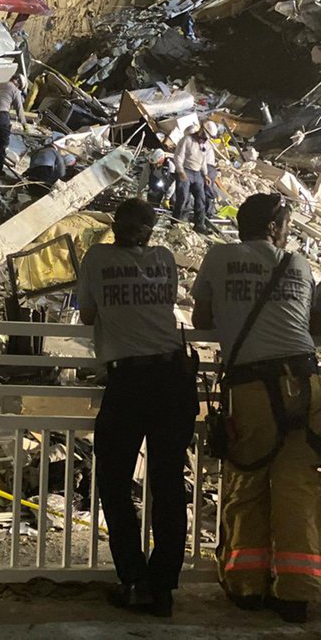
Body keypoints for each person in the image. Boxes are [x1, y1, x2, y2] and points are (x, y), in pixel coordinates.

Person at [193, 193, 321, 624]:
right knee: (297, 486)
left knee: (247, 480)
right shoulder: (299, 264)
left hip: (250, 387)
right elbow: (311, 323)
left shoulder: (218, 257)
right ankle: (296, 594)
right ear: (272, 227)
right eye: (285, 223)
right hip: (305, 382)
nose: (288, 231)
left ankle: (247, 586)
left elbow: (201, 320)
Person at [77, 199, 197, 618]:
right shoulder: (165, 258)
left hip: (128, 381)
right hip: (172, 380)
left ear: (113, 226)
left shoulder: (95, 257)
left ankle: (134, 579)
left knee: (112, 480)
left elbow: (87, 315)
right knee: (167, 484)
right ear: (151, 230)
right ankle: (163, 587)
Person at [172, 123, 211, 234]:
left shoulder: (204, 145)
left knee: (201, 198)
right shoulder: (187, 140)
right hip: (186, 170)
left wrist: (205, 174)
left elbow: (203, 160)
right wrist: (180, 171)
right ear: (201, 131)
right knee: (183, 197)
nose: (205, 138)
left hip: (197, 172)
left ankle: (199, 224)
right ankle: (176, 222)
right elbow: (179, 156)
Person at [202, 121, 222, 221]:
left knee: (206, 189)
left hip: (208, 168)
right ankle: (207, 212)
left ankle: (208, 211)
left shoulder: (204, 143)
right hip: (209, 168)